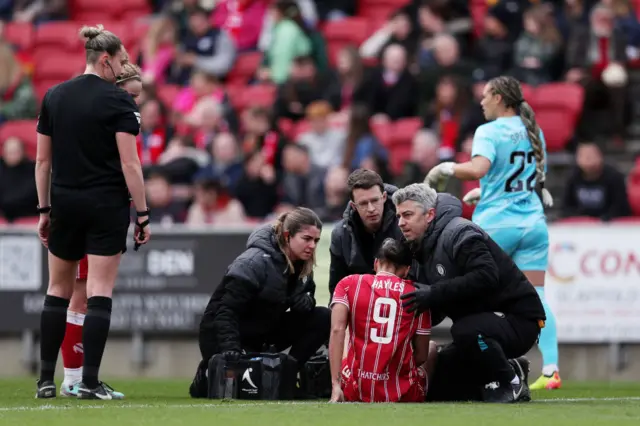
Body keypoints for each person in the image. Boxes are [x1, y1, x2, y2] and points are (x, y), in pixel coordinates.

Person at [34, 25, 150, 400]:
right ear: (105, 60)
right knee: (99, 292)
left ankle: (45, 381)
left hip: (64, 202)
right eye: (119, 62)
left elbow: (41, 161)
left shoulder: (54, 95)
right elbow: (130, 165)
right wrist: (143, 215)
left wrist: (43, 209)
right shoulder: (119, 102)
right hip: (105, 204)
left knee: (56, 291)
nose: (121, 69)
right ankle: (88, 381)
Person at [424, 75, 561, 390]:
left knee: (476, 289)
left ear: (499, 97)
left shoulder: (488, 131)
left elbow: (478, 169)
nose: (481, 102)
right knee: (536, 295)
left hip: (498, 224)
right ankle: (551, 369)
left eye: (485, 96)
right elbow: (527, 181)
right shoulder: (532, 131)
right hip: (533, 223)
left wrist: (445, 168)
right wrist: (485, 193)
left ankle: (483, 362)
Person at [392, 183, 545, 403]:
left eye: (407, 215)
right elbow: (440, 301)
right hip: (481, 326)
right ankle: (509, 368)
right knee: (439, 387)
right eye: (398, 216)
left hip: (518, 319)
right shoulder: (420, 249)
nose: (401, 223)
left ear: (429, 215)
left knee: (465, 330)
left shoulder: (460, 232)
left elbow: (486, 276)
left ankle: (510, 382)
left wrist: (432, 293)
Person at [59, 61, 144, 398]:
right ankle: (75, 378)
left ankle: (74, 378)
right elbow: (127, 165)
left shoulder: (94, 116)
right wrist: (144, 212)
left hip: (83, 207)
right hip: (95, 211)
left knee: (80, 294)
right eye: (131, 94)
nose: (135, 103)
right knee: (83, 296)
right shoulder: (105, 119)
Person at [190, 207, 331, 398]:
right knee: (246, 388)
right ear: (288, 236)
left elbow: (307, 298)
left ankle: (285, 379)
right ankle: (206, 374)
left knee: (323, 317)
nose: (312, 246)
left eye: (316, 240)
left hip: (262, 330)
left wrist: (305, 302)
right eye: (307, 239)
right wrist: (231, 347)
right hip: (223, 333)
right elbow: (224, 311)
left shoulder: (302, 265)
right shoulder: (253, 262)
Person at [329, 238, 435, 403]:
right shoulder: (418, 296)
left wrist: (336, 385)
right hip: (402, 394)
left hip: (354, 390)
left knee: (346, 330)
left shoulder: (348, 284)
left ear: (376, 263)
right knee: (432, 348)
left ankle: (339, 386)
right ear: (406, 270)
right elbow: (421, 356)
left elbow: (337, 330)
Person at [328, 169, 405, 298]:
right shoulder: (341, 234)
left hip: (400, 298)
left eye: (375, 200)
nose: (371, 209)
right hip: (360, 301)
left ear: (384, 197)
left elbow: (417, 277)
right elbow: (337, 289)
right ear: (353, 206)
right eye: (363, 203)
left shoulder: (404, 224)